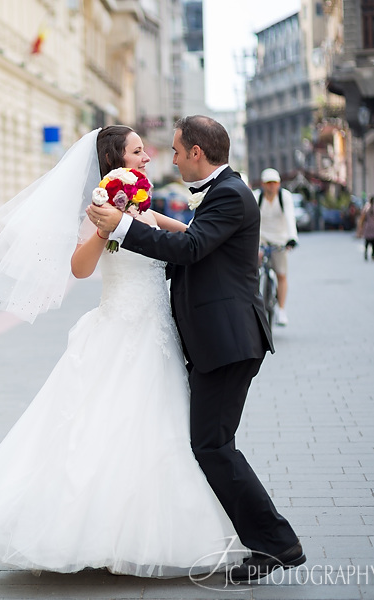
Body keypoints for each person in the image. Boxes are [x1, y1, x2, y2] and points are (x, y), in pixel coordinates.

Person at [0, 126, 248, 577]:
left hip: (158, 331)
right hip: (118, 327)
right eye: (138, 151)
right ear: (115, 160)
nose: (148, 156)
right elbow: (79, 270)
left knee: (164, 430)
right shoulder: (97, 211)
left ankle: (152, 532)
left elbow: (193, 244)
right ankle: (89, 534)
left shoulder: (149, 210)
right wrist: (106, 227)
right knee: (102, 425)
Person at [88, 116, 304, 583]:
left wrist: (124, 227)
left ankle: (277, 543)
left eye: (178, 150)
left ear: (198, 154)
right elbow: (196, 246)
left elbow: (192, 250)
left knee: (212, 446)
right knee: (213, 445)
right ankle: (271, 541)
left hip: (228, 341)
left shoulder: (228, 193)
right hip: (217, 340)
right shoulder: (222, 191)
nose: (172, 157)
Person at [254, 168, 298, 326]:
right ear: (262, 184)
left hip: (280, 240)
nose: (271, 187)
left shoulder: (284, 196)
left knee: (281, 275)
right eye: (268, 183)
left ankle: (281, 310)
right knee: (254, 273)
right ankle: (255, 307)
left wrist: (292, 238)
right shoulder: (257, 197)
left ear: (279, 184)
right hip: (261, 239)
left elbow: (290, 218)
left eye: (274, 183)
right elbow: (252, 221)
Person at [358, 196, 374, 261]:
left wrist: (361, 226)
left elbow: (362, 217)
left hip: (367, 226)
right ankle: (373, 255)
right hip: (373, 226)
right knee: (373, 242)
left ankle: (366, 254)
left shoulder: (366, 208)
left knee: (367, 241)